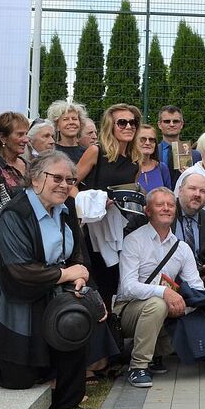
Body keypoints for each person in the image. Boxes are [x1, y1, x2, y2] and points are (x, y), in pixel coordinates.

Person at [0, 151, 96, 409]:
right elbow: (19, 270)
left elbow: (76, 253)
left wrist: (79, 275)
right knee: (18, 380)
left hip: (52, 292)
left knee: (73, 322)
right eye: (56, 178)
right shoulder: (14, 214)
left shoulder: (66, 209)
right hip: (12, 298)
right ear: (35, 179)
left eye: (70, 180)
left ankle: (67, 403)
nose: (64, 185)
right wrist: (67, 274)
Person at [115, 186, 202, 387]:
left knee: (168, 306)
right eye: (160, 204)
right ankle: (138, 367)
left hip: (163, 311)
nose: (166, 208)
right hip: (127, 309)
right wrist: (164, 292)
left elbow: (197, 289)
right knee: (158, 304)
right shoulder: (133, 241)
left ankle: (157, 353)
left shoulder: (182, 248)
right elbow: (128, 287)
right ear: (148, 211)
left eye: (170, 205)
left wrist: (181, 307)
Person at [74, 103, 142, 308]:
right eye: (122, 122)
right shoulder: (96, 151)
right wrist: (89, 204)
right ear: (110, 126)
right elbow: (69, 184)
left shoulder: (135, 160)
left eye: (133, 122)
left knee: (115, 280)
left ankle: (114, 320)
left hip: (121, 229)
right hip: (92, 227)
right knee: (97, 277)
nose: (129, 126)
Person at [174, 173, 205, 286]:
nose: (197, 194)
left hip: (201, 285)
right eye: (192, 188)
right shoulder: (165, 214)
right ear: (180, 190)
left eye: (203, 191)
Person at [156, 105, 201, 187]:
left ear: (182, 124)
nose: (171, 124)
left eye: (176, 121)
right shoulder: (152, 152)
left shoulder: (195, 156)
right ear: (159, 124)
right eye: (167, 121)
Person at [0, 112, 31, 195]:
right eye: (20, 134)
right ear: (3, 137)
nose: (26, 140)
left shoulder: (31, 166)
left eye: (26, 134)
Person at [136, 124, 173, 193]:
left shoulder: (162, 168)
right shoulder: (127, 168)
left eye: (151, 140)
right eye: (143, 139)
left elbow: (168, 195)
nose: (147, 143)